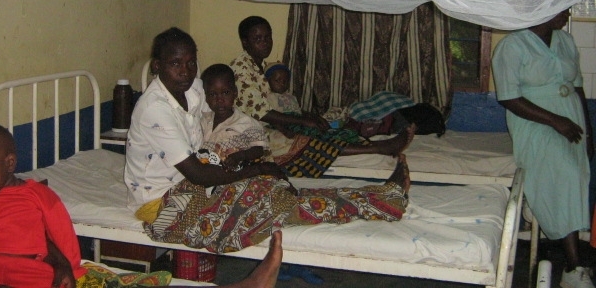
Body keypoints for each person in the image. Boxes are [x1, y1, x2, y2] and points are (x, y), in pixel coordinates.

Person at [124, 27, 410, 254]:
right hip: (162, 203)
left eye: (190, 63)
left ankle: (378, 197)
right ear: (157, 66)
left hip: (193, 184)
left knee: (272, 190)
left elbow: (219, 116)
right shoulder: (155, 109)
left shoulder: (192, 89)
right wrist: (255, 168)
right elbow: (198, 174)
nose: (186, 71)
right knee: (267, 201)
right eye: (175, 63)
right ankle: (379, 202)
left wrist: (248, 162)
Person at [230, 16, 415, 178]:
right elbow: (262, 113)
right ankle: (378, 148)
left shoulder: (261, 66)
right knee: (305, 142)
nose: (265, 43)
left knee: (322, 128)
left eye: (267, 37)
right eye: (258, 39)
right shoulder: (242, 69)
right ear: (245, 42)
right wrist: (303, 120)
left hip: (270, 125)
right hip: (254, 134)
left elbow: (276, 104)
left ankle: (375, 145)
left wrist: (308, 116)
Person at [492, 9, 594, 288]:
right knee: (566, 174)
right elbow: (509, 98)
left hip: (571, 119)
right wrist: (555, 121)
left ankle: (571, 264)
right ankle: (573, 266)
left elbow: (578, 88)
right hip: (535, 121)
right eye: (562, 8)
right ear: (543, 9)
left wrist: (589, 133)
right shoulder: (512, 45)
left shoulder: (566, 41)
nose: (568, 13)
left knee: (574, 178)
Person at [0, 123, 86, 288]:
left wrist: (68, 266)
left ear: (9, 163)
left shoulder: (36, 193)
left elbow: (62, 231)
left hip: (24, 267)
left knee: (55, 280)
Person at [199, 63, 272, 172]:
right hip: (209, 174)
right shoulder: (203, 121)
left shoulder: (246, 122)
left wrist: (240, 156)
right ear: (205, 97)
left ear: (235, 92)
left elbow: (259, 149)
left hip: (239, 173)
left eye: (225, 92)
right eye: (213, 94)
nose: (219, 100)